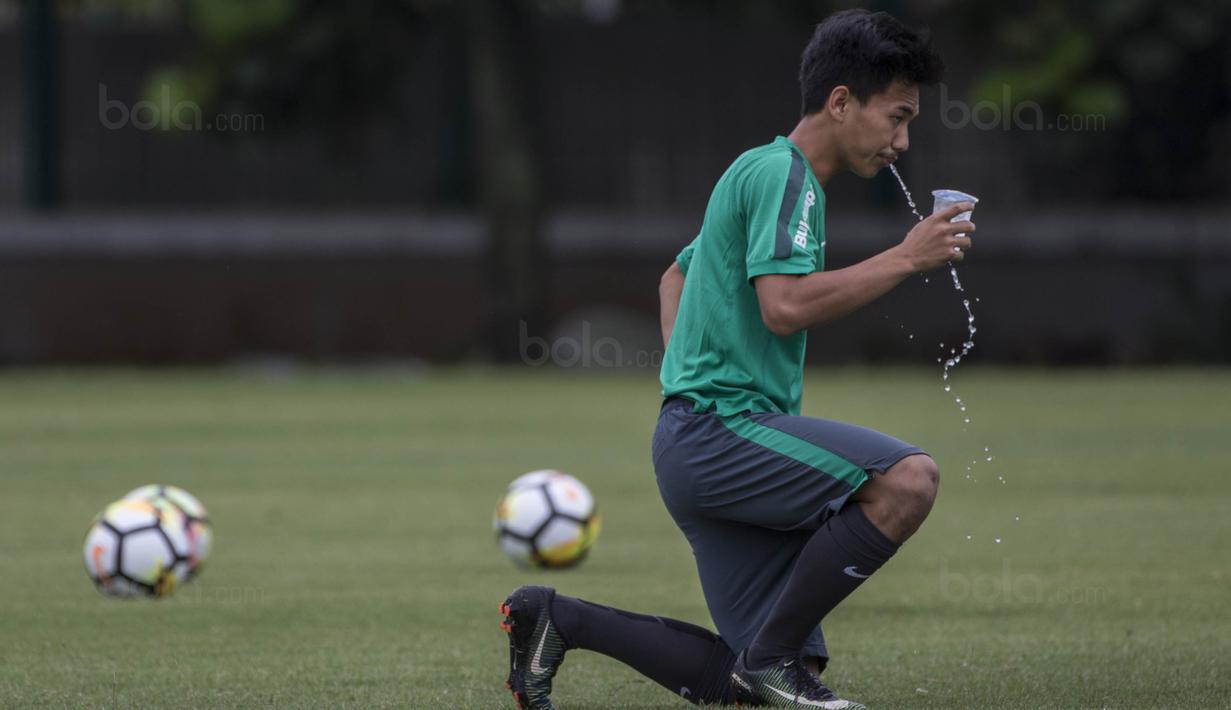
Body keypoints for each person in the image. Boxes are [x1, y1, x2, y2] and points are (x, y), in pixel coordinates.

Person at [498, 9, 972, 709]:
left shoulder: (760, 169)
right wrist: (906, 256)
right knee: (907, 481)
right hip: (721, 434)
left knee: (744, 681)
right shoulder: (786, 178)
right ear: (840, 102)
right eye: (896, 117)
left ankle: (555, 618)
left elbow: (675, 278)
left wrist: (683, 383)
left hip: (697, 439)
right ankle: (772, 660)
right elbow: (783, 306)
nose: (902, 141)